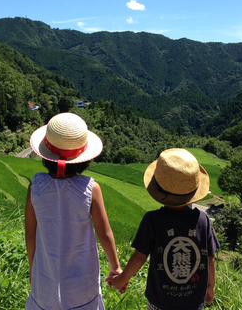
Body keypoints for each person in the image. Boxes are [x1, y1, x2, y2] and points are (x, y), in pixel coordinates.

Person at [25, 112, 121, 309]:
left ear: (46, 156)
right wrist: (115, 267)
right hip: (81, 281)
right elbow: (104, 233)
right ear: (84, 159)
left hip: (45, 275)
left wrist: (32, 268)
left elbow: (30, 234)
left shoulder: (35, 186)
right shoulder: (90, 188)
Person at [106, 148, 220, 310]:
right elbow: (210, 257)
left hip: (160, 302)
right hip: (193, 303)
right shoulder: (203, 220)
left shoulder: (152, 220)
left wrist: (120, 281)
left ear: (158, 189)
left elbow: (139, 257)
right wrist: (211, 286)